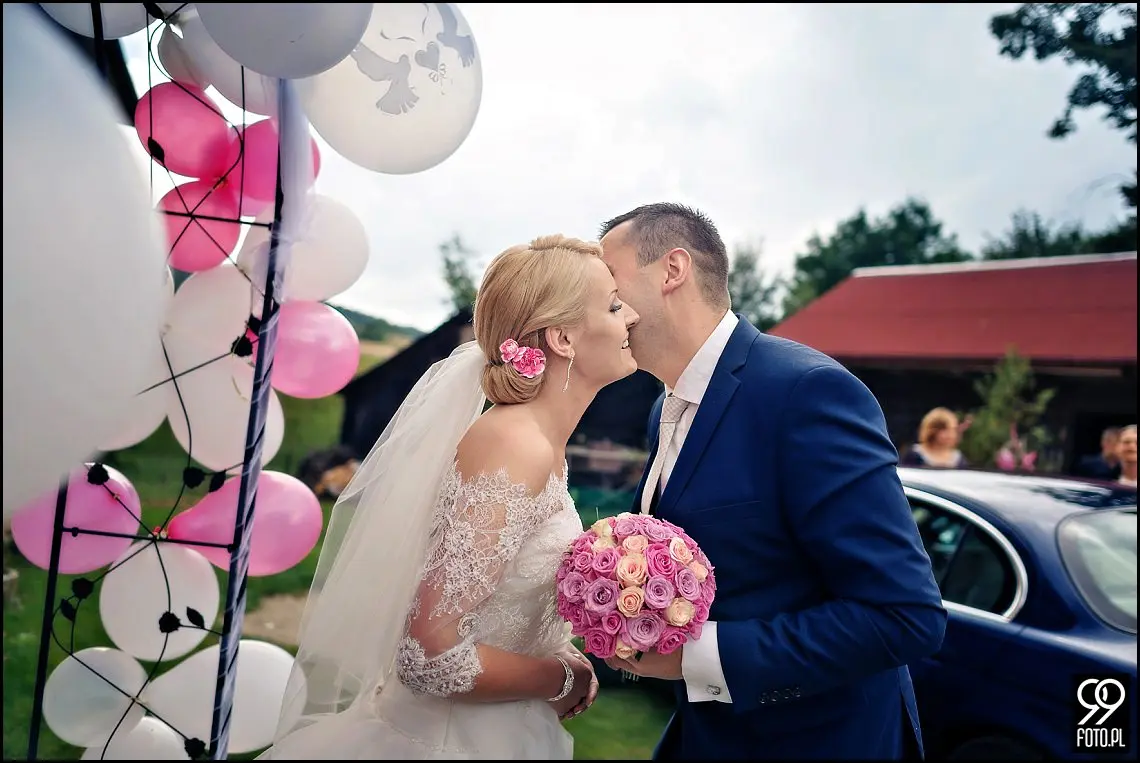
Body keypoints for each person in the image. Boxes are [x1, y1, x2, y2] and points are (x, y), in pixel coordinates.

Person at [258, 235, 640, 759]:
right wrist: (557, 678)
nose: (631, 316)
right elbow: (430, 654)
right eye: (615, 306)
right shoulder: (514, 444)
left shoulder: (539, 442)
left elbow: (498, 601)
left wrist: (560, 650)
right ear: (562, 338)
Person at [596, 203, 947, 760]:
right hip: (712, 735)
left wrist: (696, 657)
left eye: (610, 284)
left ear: (672, 270)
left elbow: (904, 616)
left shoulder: (806, 392)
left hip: (817, 741)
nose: (602, 306)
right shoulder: (664, 407)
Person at [899, 407, 969, 469]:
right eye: (945, 430)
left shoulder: (959, 459)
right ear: (932, 430)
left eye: (953, 430)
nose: (950, 435)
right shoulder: (914, 455)